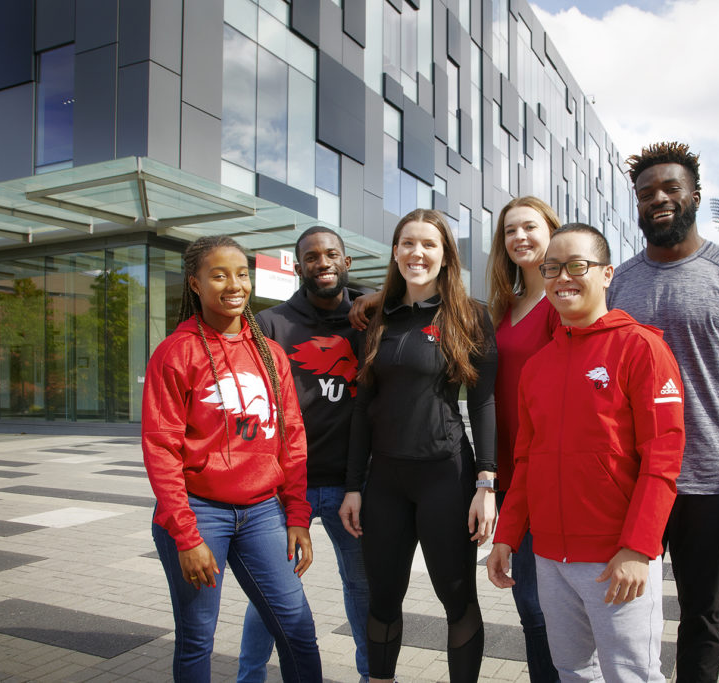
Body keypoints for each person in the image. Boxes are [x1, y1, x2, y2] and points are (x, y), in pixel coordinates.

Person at [610, 142, 719, 682]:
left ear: (695, 197)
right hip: (628, 478)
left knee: (701, 616)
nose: (658, 199)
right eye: (646, 193)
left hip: (708, 482)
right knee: (618, 605)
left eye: (670, 189)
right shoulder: (618, 283)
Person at [488, 223, 685, 682]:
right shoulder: (537, 367)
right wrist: (507, 537)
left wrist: (639, 548)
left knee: (631, 674)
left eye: (577, 265)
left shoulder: (642, 348)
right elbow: (526, 463)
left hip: (617, 557)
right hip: (551, 559)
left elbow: (663, 458)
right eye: (551, 267)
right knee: (573, 670)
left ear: (607, 273)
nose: (562, 278)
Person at [142, 235, 322, 682]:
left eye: (241, 273)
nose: (234, 284)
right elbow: (161, 449)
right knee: (198, 639)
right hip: (199, 512)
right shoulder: (175, 353)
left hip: (262, 511)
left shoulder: (270, 353)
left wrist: (297, 515)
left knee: (297, 628)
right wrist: (186, 536)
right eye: (219, 275)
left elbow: (292, 438)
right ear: (195, 284)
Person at [338, 208, 497, 683]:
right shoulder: (376, 319)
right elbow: (363, 408)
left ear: (446, 255)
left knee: (457, 598)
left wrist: (487, 483)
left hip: (446, 477)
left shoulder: (471, 316)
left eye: (429, 244)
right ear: (395, 251)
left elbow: (485, 403)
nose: (417, 253)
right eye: (408, 243)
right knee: (383, 598)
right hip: (385, 481)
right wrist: (353, 486)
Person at [238, 226, 369, 682]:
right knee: (273, 593)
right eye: (311, 257)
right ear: (299, 267)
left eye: (332, 254)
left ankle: (373, 675)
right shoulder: (271, 324)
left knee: (363, 591)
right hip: (285, 487)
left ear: (346, 263)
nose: (323, 262)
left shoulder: (367, 320)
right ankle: (249, 676)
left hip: (353, 486)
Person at [486, 196, 562, 682]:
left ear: (551, 232)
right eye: (510, 231)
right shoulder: (501, 308)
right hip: (511, 475)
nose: (520, 238)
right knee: (530, 610)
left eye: (530, 227)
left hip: (551, 474)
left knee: (551, 609)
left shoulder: (564, 301)